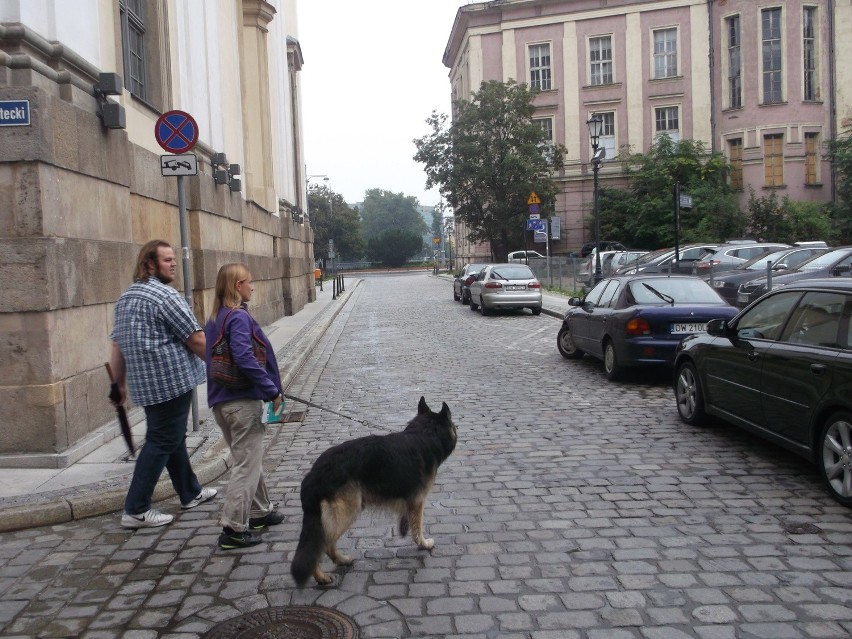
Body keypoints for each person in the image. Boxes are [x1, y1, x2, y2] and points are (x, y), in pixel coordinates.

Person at [109, 240, 217, 529]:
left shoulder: (126, 298)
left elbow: (117, 345)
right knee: (161, 440)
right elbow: (196, 339)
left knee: (172, 436)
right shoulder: (165, 296)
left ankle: (189, 492)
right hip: (171, 383)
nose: (173, 264)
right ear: (149, 265)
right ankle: (136, 508)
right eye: (167, 260)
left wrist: (118, 385)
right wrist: (226, 367)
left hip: (147, 387)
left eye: (173, 259)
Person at [205, 263, 285, 550]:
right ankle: (233, 528)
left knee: (248, 460)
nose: (253, 286)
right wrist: (270, 389)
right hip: (241, 403)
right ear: (237, 286)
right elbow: (243, 356)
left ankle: (260, 512)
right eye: (249, 282)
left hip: (222, 402)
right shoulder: (238, 317)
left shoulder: (217, 317)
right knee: (246, 465)